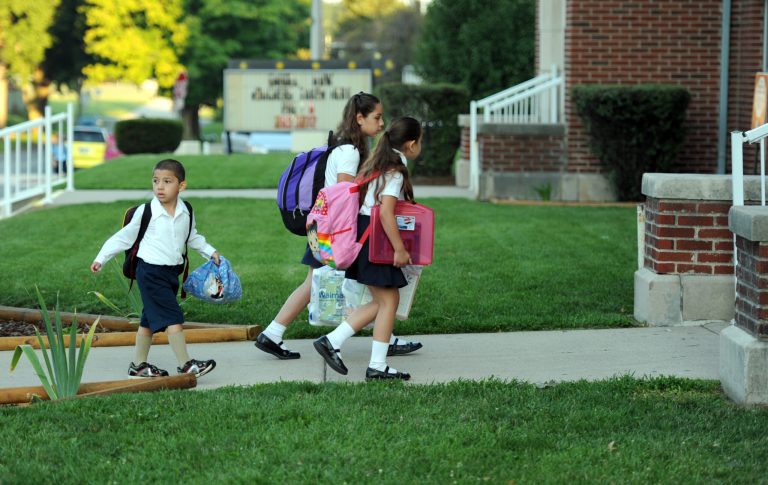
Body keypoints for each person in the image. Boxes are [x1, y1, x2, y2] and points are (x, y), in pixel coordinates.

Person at [255, 93, 423, 360]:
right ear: (360, 118)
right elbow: (347, 198)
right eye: (376, 117)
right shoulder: (350, 153)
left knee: (317, 283)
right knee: (369, 287)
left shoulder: (343, 147)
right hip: (336, 231)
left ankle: (273, 334)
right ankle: (373, 341)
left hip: (321, 226)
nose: (381, 124)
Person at [313, 116, 422, 381]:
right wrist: (399, 248)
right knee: (389, 299)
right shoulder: (395, 167)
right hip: (375, 236)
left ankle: (339, 344)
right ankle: (372, 363)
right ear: (412, 144)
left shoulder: (378, 160)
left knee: (383, 300)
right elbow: (385, 212)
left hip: (363, 232)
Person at [90, 158, 220, 379]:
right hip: (149, 272)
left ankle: (138, 366)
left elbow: (192, 236)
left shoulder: (186, 210)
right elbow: (123, 238)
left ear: (181, 186)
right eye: (156, 181)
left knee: (148, 321)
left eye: (167, 181)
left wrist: (210, 251)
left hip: (171, 273)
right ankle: (186, 365)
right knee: (173, 317)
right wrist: (101, 258)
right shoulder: (146, 212)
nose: (160, 187)